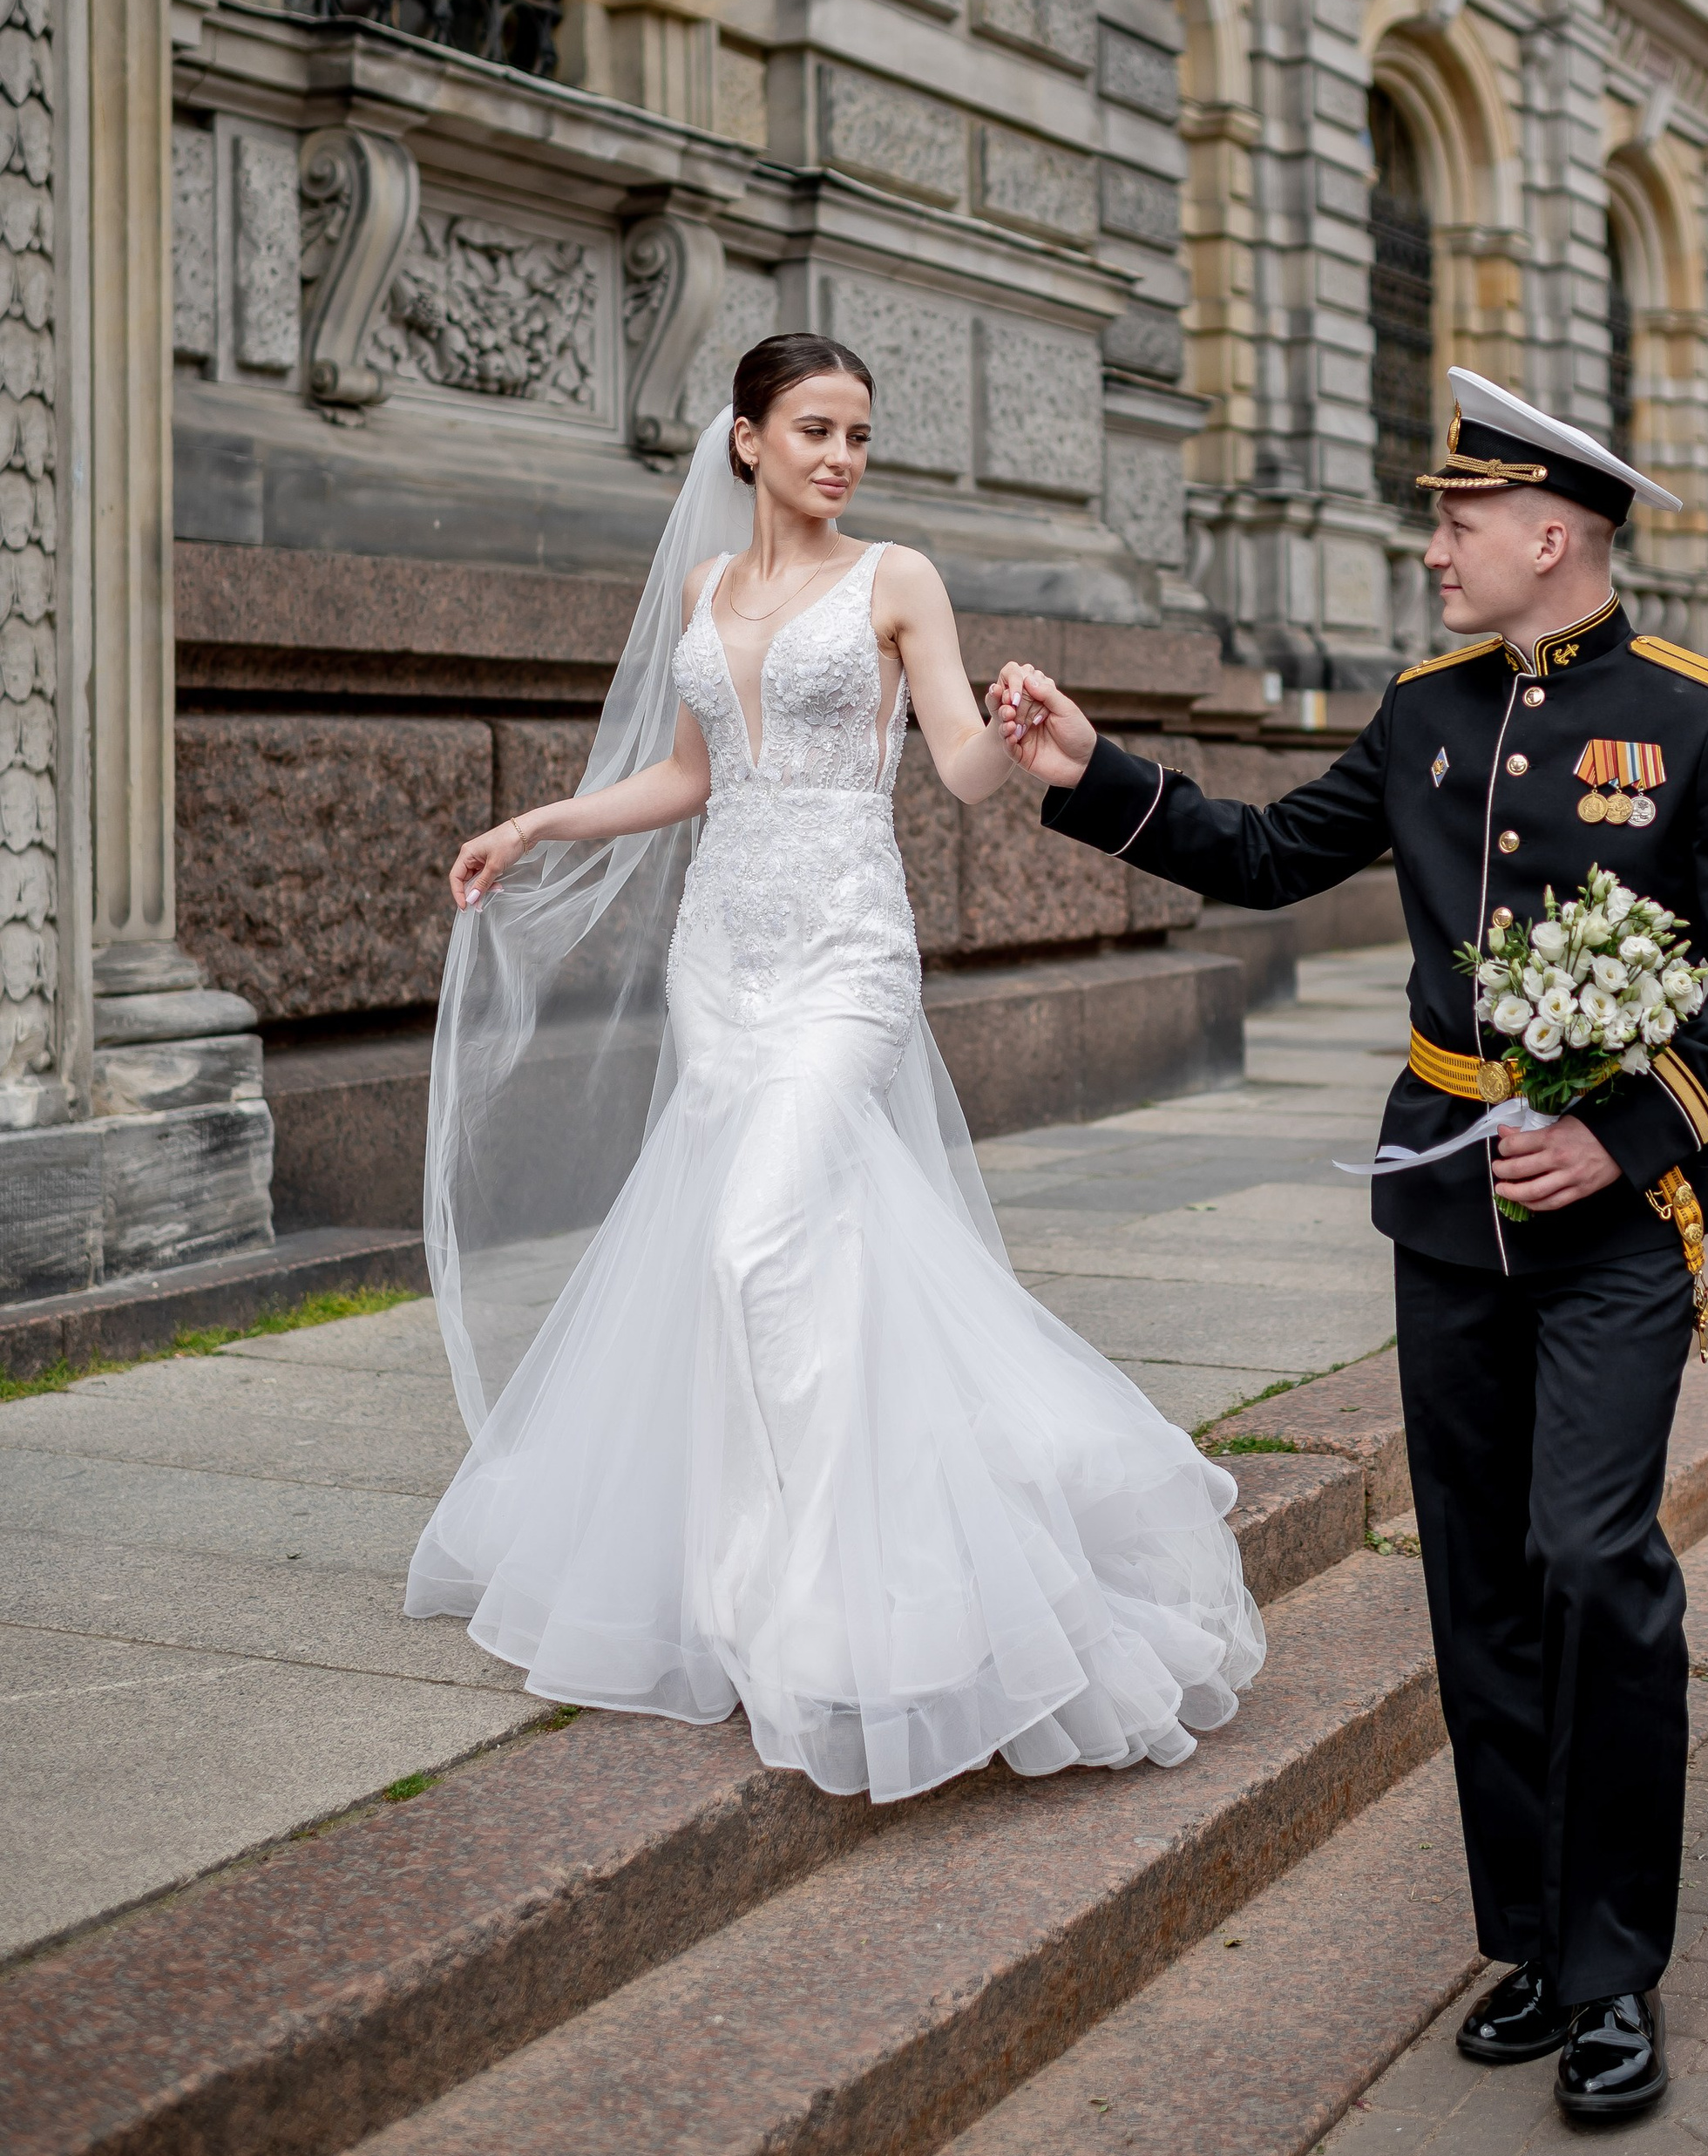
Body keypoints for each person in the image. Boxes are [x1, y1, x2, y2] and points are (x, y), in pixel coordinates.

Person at [994, 368, 1708, 2118]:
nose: (1433, 547)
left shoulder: (1697, 716)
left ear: (1553, 536)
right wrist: (1087, 774)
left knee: (1591, 1557)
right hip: (1449, 1211)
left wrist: (1622, 1135)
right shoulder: (1425, 710)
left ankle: (1614, 1970)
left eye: (1458, 520)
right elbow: (1263, 854)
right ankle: (1530, 1942)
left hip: (1617, 1218)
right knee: (1476, 1583)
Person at [407, 334, 1263, 1800]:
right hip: (719, 962)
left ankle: (846, 1602)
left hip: (844, 962)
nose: (842, 457)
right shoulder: (705, 588)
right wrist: (538, 823)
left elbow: (959, 768)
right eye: (814, 429)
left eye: (858, 434)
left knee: (752, 1245)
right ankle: (750, 1584)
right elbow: (689, 777)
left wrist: (1019, 736)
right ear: (747, 441)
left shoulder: (898, 579)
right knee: (788, 1253)